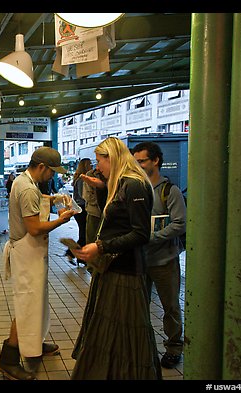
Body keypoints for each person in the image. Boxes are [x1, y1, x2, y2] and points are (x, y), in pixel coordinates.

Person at [70, 137, 162, 380]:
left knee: (125, 330)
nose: (97, 167)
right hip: (114, 267)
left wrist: (100, 246)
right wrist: (102, 190)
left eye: (100, 161)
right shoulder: (119, 183)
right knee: (113, 329)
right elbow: (112, 220)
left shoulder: (134, 185)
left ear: (112, 158)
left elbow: (140, 233)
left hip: (127, 270)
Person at [0, 146, 76, 380]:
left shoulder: (24, 181)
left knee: (37, 303)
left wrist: (54, 198)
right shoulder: (27, 189)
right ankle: (8, 360)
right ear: (41, 167)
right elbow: (33, 228)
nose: (53, 176)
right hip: (26, 253)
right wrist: (61, 220)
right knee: (27, 306)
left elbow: (36, 200)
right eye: (51, 171)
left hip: (28, 253)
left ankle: (34, 344)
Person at [132, 141, 186, 369]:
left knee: (170, 307)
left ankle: (174, 348)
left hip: (164, 260)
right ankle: (143, 347)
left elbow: (180, 223)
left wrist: (151, 237)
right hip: (140, 260)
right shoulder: (135, 188)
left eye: (142, 161)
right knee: (138, 306)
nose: (138, 165)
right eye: (136, 161)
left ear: (155, 160)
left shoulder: (169, 191)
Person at [64, 158, 93, 266]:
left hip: (80, 209)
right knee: (84, 234)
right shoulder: (82, 179)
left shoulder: (79, 178)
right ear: (85, 166)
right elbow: (83, 196)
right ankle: (72, 253)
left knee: (83, 233)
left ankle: (79, 257)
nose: (92, 166)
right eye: (90, 164)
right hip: (82, 209)